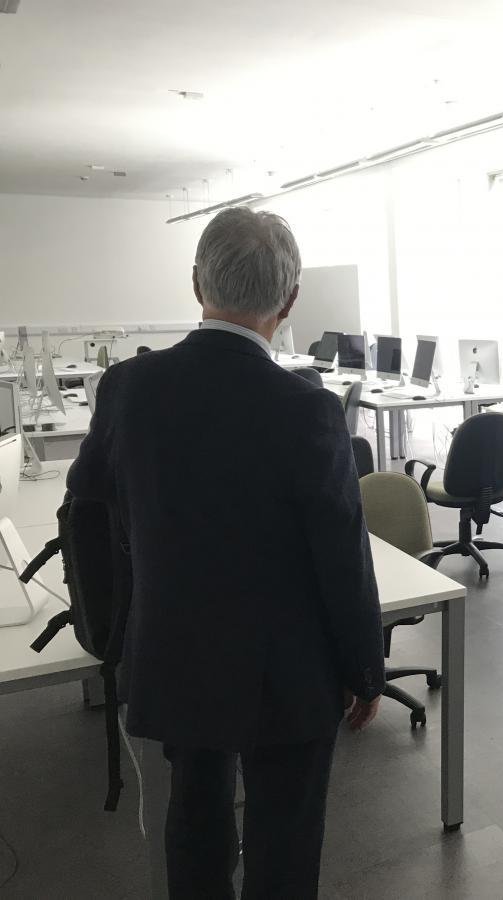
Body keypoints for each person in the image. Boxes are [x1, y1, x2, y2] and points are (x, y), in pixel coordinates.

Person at [68, 207, 386, 899]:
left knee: (195, 820)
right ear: (290, 300)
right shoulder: (307, 409)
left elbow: (86, 506)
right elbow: (342, 557)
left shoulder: (128, 388)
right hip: (288, 669)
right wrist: (366, 668)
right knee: (285, 839)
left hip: (174, 652)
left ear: (196, 283)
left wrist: (116, 629)